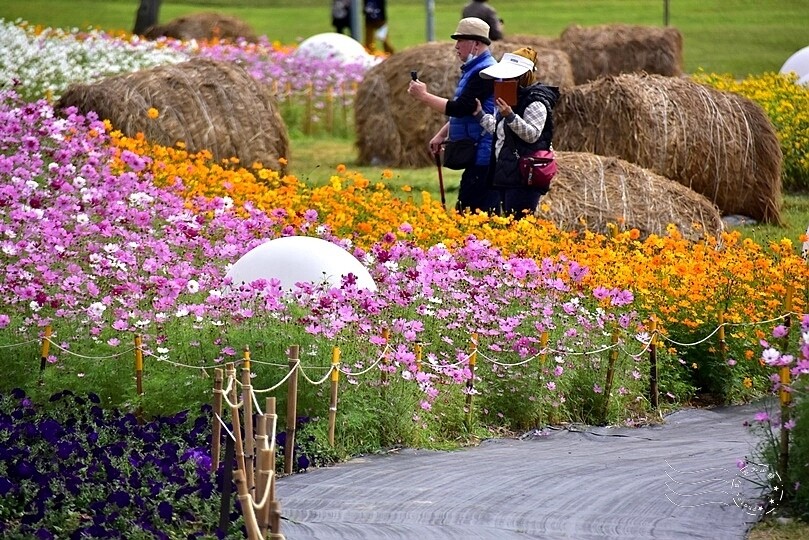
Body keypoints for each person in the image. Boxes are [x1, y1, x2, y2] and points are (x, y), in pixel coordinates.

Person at [407, 17, 499, 214]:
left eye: (460, 40)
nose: (456, 46)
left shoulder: (485, 72)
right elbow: (468, 110)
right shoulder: (475, 69)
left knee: (472, 214)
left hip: (483, 156)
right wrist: (442, 134)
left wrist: (424, 96)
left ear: (475, 44)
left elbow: (460, 108)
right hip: (477, 154)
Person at [473, 47, 560, 218]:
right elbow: (502, 131)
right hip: (508, 173)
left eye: (509, 77)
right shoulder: (514, 98)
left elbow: (532, 135)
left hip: (525, 175)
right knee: (511, 222)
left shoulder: (536, 101)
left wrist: (510, 116)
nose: (504, 80)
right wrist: (480, 115)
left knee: (520, 223)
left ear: (523, 76)